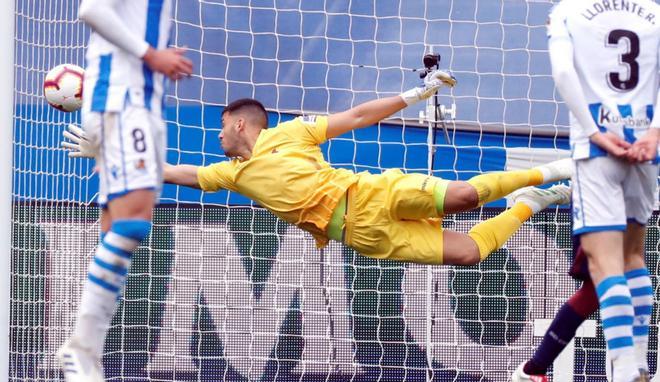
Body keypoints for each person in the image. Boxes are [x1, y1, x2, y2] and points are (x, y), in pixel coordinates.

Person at [63, 70, 571, 269]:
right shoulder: (231, 175)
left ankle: (547, 172)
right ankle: (532, 204)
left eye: (222, 128)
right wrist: (110, 154)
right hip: (362, 236)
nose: (217, 138)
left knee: (465, 197)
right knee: (466, 254)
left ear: (242, 124)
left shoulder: (292, 132)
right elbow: (170, 173)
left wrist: (415, 94)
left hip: (369, 196)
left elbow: (355, 116)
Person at [56, 0, 193, 382]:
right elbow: (92, 10)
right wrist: (153, 55)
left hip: (140, 106)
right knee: (131, 224)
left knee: (115, 231)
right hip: (122, 101)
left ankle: (88, 361)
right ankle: (80, 349)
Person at [546, 0, 660, 382]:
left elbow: (562, 72)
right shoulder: (654, 11)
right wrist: (655, 132)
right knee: (634, 258)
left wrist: (594, 132)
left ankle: (626, 374)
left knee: (604, 262)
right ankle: (642, 369)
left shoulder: (568, 12)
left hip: (597, 151)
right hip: (645, 146)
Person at [512, 238, 600, 382]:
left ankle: (631, 374)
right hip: (603, 213)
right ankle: (534, 369)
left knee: (633, 273)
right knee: (602, 282)